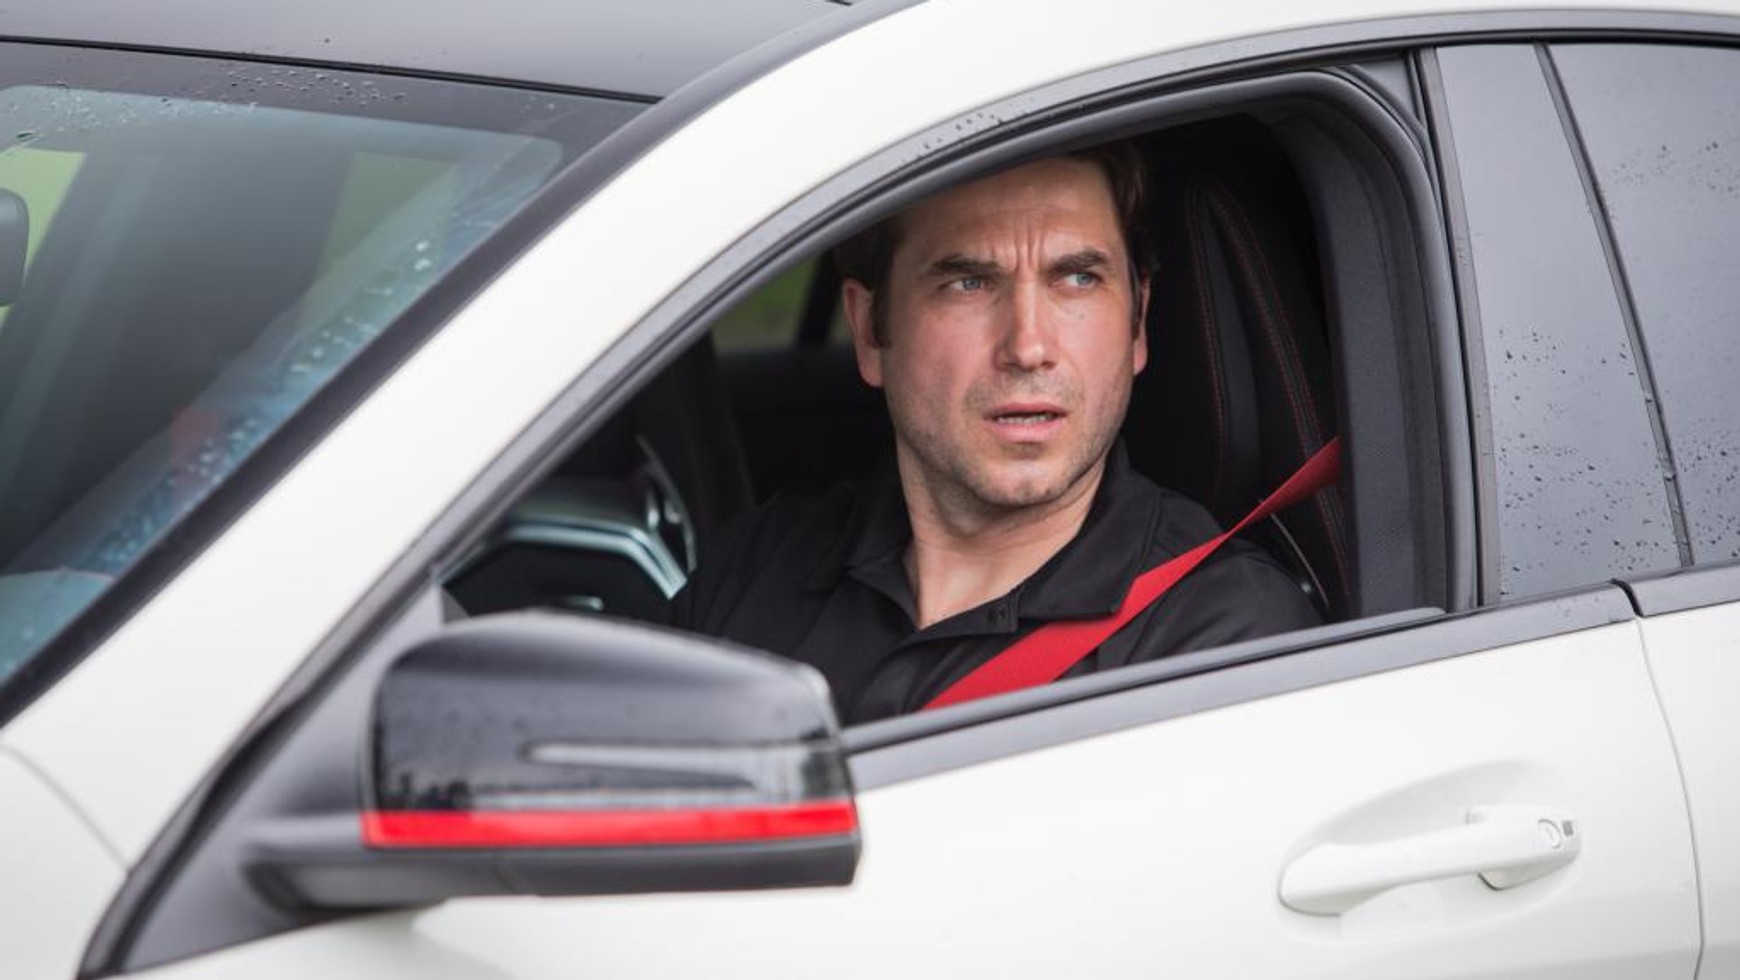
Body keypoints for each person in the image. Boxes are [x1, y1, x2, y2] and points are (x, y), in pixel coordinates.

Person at [671, 144, 1320, 723]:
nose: (1028, 347)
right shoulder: (755, 568)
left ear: (1138, 323)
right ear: (870, 330)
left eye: (1077, 278)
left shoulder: (1225, 640)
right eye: (970, 283)